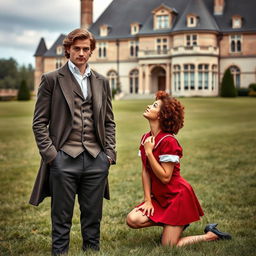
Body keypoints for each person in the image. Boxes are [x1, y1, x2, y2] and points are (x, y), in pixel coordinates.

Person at [29, 28, 116, 255]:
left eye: (86, 49)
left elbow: (109, 122)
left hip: (96, 159)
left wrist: (109, 154)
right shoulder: (51, 80)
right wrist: (52, 157)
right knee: (61, 219)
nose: (81, 53)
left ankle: (91, 251)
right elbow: (39, 123)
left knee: (93, 219)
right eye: (76, 48)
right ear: (67, 49)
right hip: (63, 159)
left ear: (91, 51)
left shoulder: (102, 81)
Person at [126, 91, 231, 247]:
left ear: (161, 116)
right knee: (132, 220)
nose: (149, 106)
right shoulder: (145, 138)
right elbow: (146, 171)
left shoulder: (169, 142)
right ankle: (172, 225)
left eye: (154, 105)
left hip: (177, 197)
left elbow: (165, 177)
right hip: (160, 198)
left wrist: (149, 152)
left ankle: (211, 235)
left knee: (169, 246)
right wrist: (148, 200)